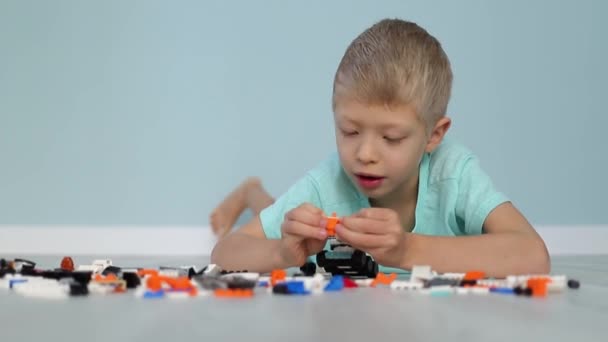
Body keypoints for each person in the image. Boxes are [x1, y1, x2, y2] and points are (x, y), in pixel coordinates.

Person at [210, 18, 550, 277]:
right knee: (278, 215)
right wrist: (283, 256)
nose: (365, 154)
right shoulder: (327, 181)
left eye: (391, 138)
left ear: (434, 135)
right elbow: (226, 251)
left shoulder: (453, 172)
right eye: (349, 131)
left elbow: (533, 254)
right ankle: (252, 192)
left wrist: (406, 249)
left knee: (275, 209)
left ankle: (252, 191)